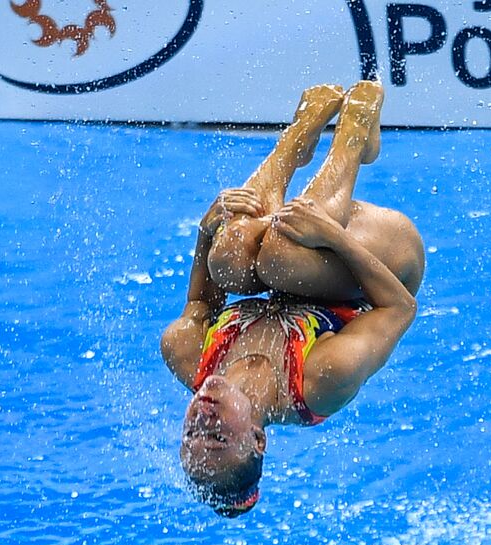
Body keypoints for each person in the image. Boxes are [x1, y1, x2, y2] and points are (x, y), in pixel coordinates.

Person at [160, 81, 425, 517]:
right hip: (383, 257)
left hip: (298, 238)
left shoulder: (186, 353)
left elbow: (199, 302)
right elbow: (399, 307)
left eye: (190, 436)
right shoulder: (320, 382)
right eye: (219, 437)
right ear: (257, 440)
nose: (203, 421)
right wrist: (334, 238)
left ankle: (296, 141)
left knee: (227, 253)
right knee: (281, 256)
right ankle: (353, 134)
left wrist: (207, 229)